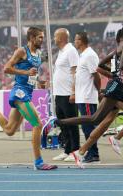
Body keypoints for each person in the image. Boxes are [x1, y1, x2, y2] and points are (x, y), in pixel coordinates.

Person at [44, 24, 123, 168]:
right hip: (117, 87)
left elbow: (101, 65)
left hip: (119, 86)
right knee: (98, 118)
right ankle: (60, 125)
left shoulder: (120, 47)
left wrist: (115, 74)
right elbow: (121, 65)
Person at [0, 27, 57, 170]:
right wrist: (26, 72)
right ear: (31, 38)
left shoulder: (38, 53)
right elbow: (6, 68)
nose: (42, 40)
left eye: (43, 37)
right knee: (37, 124)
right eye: (40, 37)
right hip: (19, 92)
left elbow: (31, 74)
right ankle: (39, 162)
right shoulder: (22, 51)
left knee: (9, 130)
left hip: (28, 91)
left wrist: (38, 81)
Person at [51, 28, 80, 162]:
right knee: (63, 124)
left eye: (56, 36)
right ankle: (67, 150)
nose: (54, 38)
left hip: (68, 93)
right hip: (59, 93)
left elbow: (75, 72)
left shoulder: (71, 50)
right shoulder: (61, 52)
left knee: (72, 123)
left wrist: (73, 92)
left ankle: (76, 151)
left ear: (62, 38)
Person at [73, 32, 101, 163]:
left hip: (88, 97)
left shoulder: (90, 55)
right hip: (82, 97)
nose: (75, 41)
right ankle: (91, 152)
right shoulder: (82, 55)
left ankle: (94, 153)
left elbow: (96, 75)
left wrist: (98, 91)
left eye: (76, 39)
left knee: (89, 126)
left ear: (82, 41)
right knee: (85, 127)